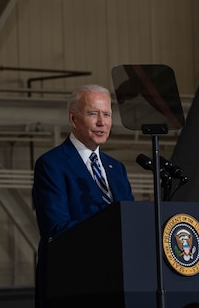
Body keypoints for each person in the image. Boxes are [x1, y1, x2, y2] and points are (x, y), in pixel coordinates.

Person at [32, 84, 134, 307]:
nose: (102, 122)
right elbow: (55, 230)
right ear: (73, 118)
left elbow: (130, 225)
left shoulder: (117, 169)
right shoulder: (51, 164)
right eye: (93, 113)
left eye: (106, 114)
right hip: (72, 285)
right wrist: (107, 229)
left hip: (116, 285)